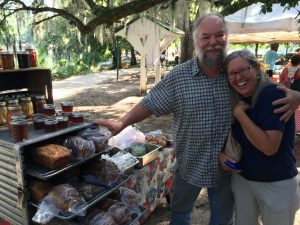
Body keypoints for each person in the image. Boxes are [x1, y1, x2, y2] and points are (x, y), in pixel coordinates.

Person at [93, 14, 298, 225]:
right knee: (180, 214)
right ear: (196, 40)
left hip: (226, 169)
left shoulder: (235, 74)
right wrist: (122, 122)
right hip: (189, 164)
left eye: (219, 35)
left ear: (227, 38)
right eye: (205, 37)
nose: (213, 42)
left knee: (222, 219)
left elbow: (264, 90)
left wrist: (298, 97)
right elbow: (150, 103)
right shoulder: (179, 76)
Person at [219, 49, 299, 225]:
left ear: (256, 69)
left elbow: (269, 147)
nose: (238, 77)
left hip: (275, 183)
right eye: (232, 73)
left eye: (243, 70)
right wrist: (222, 156)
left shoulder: (272, 94)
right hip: (243, 180)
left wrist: (239, 114)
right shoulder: (239, 97)